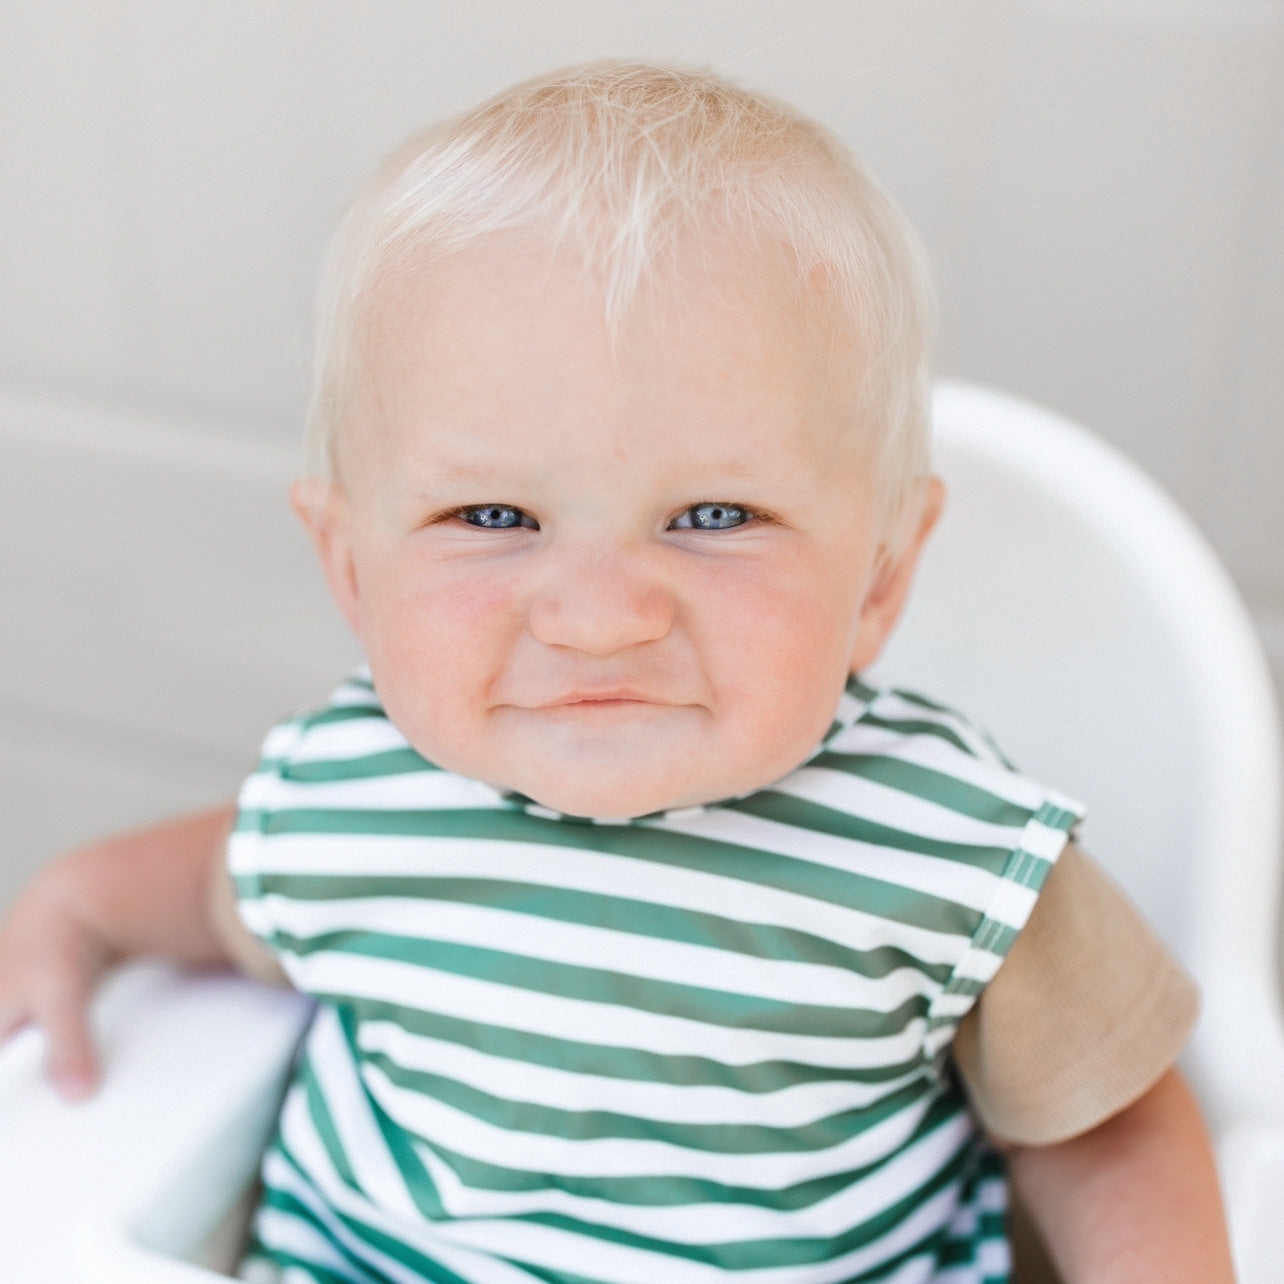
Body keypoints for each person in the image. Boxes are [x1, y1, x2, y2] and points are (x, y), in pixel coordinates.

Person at [0, 61, 1235, 1283]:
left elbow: (1112, 1132)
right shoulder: (343, 794)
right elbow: (204, 889)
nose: (598, 617)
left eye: (710, 514)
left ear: (877, 576)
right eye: (492, 516)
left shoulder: (951, 854)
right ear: (353, 571)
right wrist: (74, 907)